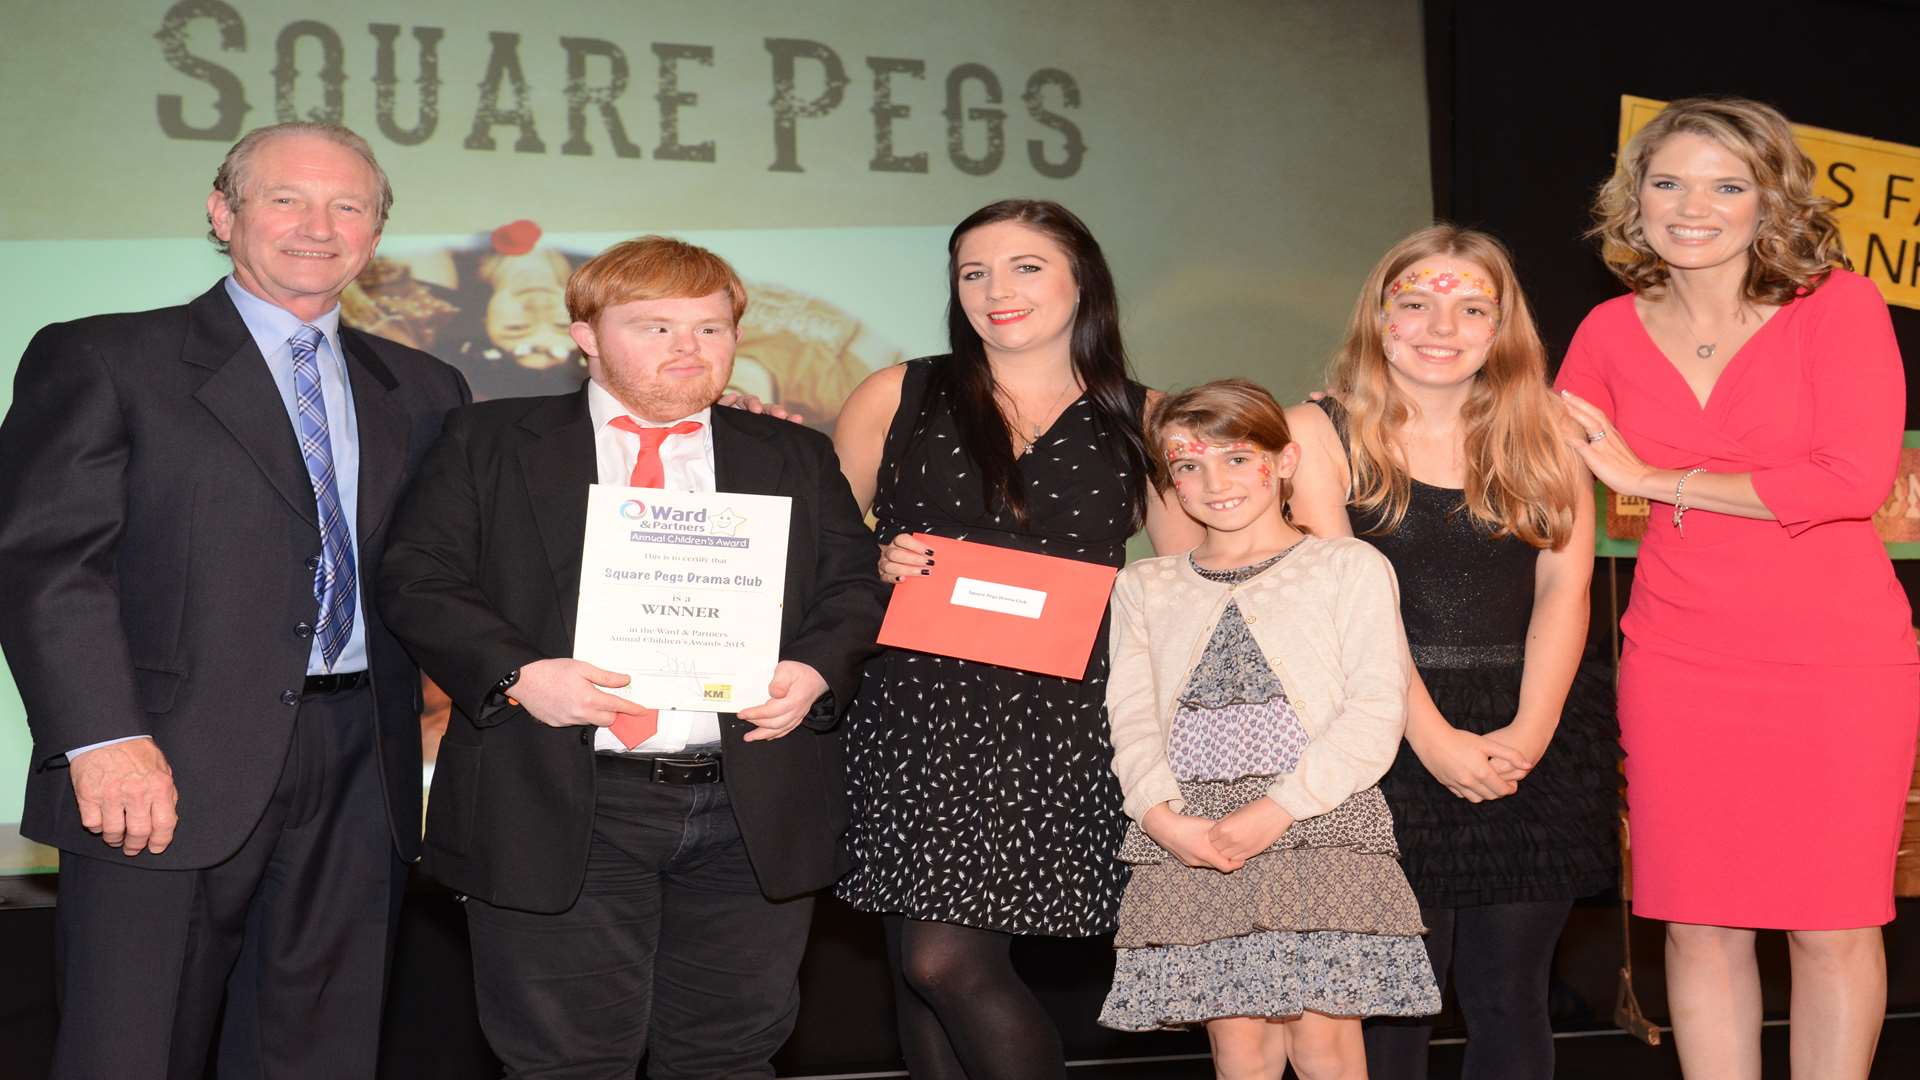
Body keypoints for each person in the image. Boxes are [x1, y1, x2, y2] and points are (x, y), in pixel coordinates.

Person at [0, 121, 469, 1078]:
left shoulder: (424, 387)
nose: (317, 226)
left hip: (360, 772)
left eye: (349, 206)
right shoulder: (104, 358)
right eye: (285, 199)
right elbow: (45, 562)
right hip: (157, 765)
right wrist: (99, 737)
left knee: (320, 1055)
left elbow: (458, 563)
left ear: (376, 234)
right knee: (129, 1054)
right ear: (223, 213)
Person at [378, 235, 887, 1078]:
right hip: (560, 801)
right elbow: (416, 580)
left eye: (711, 328)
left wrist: (813, 670)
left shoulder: (791, 454)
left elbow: (852, 590)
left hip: (748, 807)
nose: (689, 348)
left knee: (728, 1059)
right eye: (654, 327)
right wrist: (518, 674)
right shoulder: (486, 440)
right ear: (585, 336)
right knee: (565, 1064)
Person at [1555, 96, 1918, 1079]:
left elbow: (1851, 481)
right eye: (1668, 182)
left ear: (1771, 200)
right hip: (1680, 659)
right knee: (1699, 918)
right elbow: (1533, 468)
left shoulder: (1838, 306)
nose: (1693, 206)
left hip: (1838, 660)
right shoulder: (1605, 331)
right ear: (1636, 200)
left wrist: (1655, 481)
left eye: (1727, 184)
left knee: (1833, 920)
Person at [830, 198, 1201, 1078]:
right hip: (912, 713)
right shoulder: (898, 392)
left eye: (1026, 266)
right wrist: (875, 559)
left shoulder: (1145, 418)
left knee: (944, 963)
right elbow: (822, 548)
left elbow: (1187, 586)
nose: (997, 289)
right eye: (973, 272)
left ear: (1083, 280)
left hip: (1062, 722)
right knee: (917, 977)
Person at [1286, 226, 1619, 1079]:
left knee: (1512, 993)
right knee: (1399, 998)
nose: (1443, 326)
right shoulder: (1319, 430)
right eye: (1417, 304)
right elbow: (1349, 609)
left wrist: (1531, 736)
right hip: (1381, 735)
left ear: (1502, 327)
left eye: (1473, 308)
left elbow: (1562, 594)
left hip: (1529, 735)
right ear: (1379, 317)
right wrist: (1430, 740)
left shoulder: (1548, 430)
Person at [1099, 379, 1439, 1078]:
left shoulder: (1346, 567)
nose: (1211, 482)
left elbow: (1378, 706)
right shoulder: (1145, 586)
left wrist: (1278, 809)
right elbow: (1129, 715)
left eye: (1235, 458)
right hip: (1197, 833)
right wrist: (1162, 819)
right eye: (1187, 465)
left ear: (1283, 462)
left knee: (1323, 1041)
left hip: (1317, 823)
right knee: (1239, 1044)